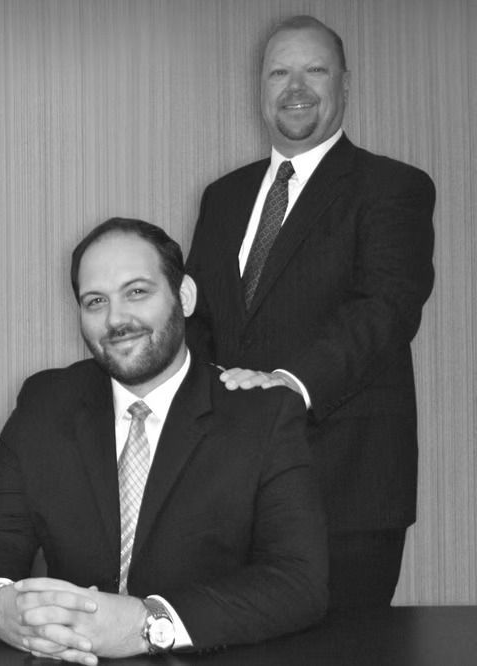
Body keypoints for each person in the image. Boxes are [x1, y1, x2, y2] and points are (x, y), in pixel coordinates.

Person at [0, 218, 327, 663]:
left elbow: (299, 581)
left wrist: (149, 625)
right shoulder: (45, 403)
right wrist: (0, 608)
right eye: (95, 301)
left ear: (184, 297)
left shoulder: (261, 415)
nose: (116, 319)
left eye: (137, 292)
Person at [185, 15, 435, 608]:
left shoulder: (392, 187)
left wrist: (288, 385)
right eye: (279, 72)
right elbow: (199, 324)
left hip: (347, 488)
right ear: (260, 88)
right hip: (230, 491)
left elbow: (386, 308)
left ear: (345, 84)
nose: (295, 87)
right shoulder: (222, 198)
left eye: (314, 69)